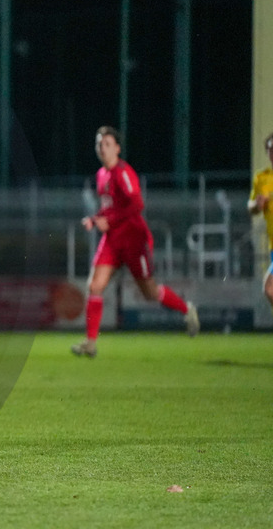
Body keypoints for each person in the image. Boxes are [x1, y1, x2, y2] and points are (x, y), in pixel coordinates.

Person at [72, 126, 199, 358]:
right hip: (112, 240)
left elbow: (137, 205)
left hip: (133, 239)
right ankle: (90, 343)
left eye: (107, 144)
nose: (102, 148)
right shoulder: (101, 175)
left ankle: (187, 309)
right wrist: (95, 219)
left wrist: (108, 221)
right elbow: (110, 208)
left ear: (117, 148)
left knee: (149, 293)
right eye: (99, 144)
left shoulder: (123, 172)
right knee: (95, 286)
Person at [247, 132, 273, 310]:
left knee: (269, 288)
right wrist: (257, 205)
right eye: (270, 150)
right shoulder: (261, 178)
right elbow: (250, 207)